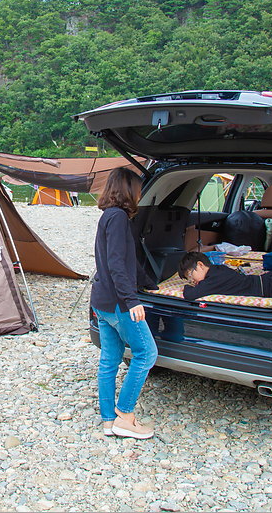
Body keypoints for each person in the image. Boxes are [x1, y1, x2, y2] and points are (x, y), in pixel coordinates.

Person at [91, 167, 158, 439]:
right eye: (138, 190)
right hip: (119, 303)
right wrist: (132, 300)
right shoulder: (118, 217)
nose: (140, 195)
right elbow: (117, 263)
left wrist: (152, 284)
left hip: (102, 301)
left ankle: (109, 421)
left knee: (109, 359)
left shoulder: (109, 216)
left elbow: (123, 262)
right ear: (129, 190)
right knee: (146, 354)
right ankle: (125, 415)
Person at [178, 251, 272, 302]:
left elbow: (190, 295)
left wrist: (187, 287)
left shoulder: (211, 281)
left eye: (190, 276)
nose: (192, 280)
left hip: (270, 288)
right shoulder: (219, 269)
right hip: (269, 280)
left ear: (200, 265)